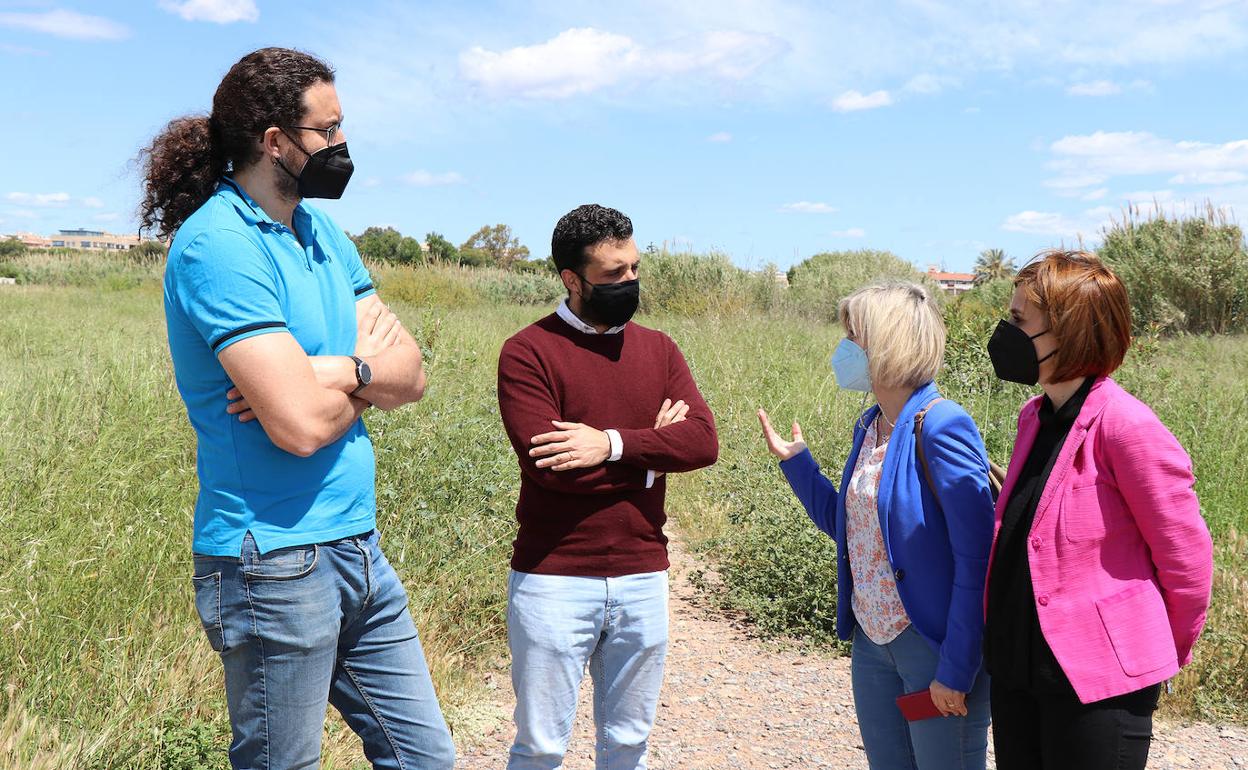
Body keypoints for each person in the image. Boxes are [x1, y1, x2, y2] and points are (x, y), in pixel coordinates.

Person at [140, 47, 455, 769]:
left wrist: (339, 369)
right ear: (275, 141)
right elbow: (301, 427)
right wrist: (360, 386)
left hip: (358, 547)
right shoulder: (219, 246)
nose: (342, 145)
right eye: (329, 129)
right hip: (272, 561)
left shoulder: (321, 233)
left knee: (426, 758)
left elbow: (410, 375)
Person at [495, 204, 719, 769]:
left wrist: (612, 444)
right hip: (553, 579)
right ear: (572, 280)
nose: (629, 283)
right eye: (612, 275)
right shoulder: (528, 352)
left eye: (634, 269)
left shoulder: (659, 349)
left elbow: (702, 443)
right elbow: (552, 468)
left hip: (644, 573)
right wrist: (652, 456)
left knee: (628, 744)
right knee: (540, 746)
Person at [982, 249, 1213, 770]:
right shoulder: (1034, 416)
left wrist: (1148, 658)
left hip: (1097, 688)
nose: (1006, 332)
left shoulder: (1127, 427)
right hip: (1019, 672)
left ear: (1070, 332)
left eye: (1019, 320)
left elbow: (1188, 563)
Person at [758, 281, 994, 769]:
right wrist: (799, 465)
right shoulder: (871, 424)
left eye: (853, 335)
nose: (843, 347)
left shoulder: (942, 423)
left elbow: (978, 558)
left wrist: (956, 666)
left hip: (930, 643)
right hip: (873, 640)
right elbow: (854, 532)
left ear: (886, 344)